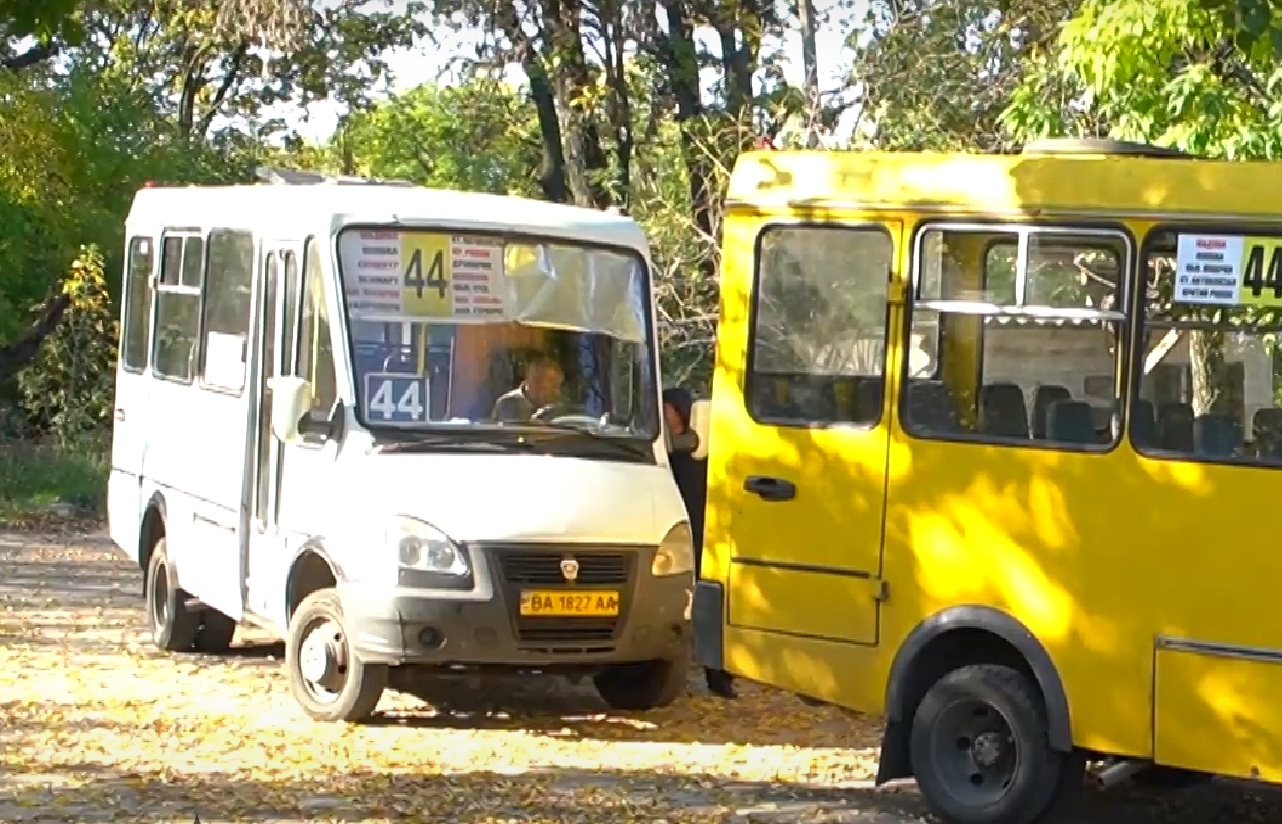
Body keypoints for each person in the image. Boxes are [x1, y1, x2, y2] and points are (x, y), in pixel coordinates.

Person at [662, 387, 736, 699]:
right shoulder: (659, 451)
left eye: (669, 409)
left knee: (707, 607)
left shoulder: (700, 451)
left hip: (702, 536)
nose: (665, 414)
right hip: (672, 536)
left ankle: (717, 675)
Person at [492, 354, 565, 422]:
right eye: (553, 384)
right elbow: (498, 430)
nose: (557, 392)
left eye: (558, 385)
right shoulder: (507, 404)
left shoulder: (560, 406)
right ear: (535, 381)